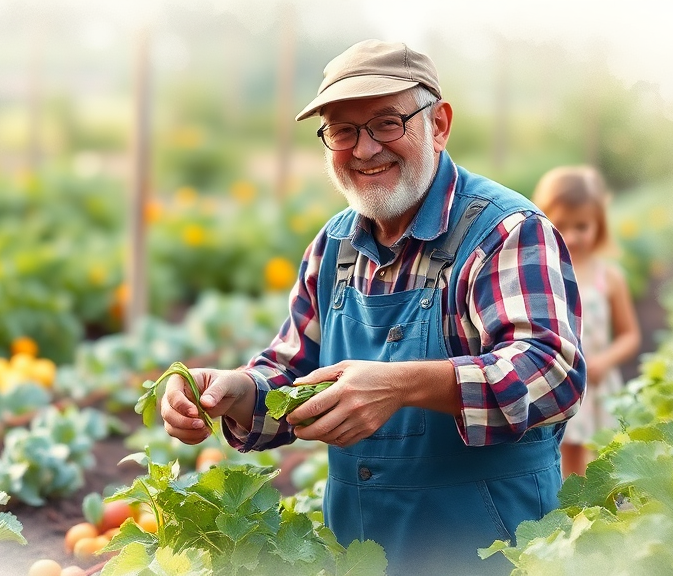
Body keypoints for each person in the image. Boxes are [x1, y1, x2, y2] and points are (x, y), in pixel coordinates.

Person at [159, 39, 586, 575]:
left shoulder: (506, 232)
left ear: (439, 124)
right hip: (360, 554)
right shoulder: (334, 246)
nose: (364, 150)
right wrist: (233, 392)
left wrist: (401, 384)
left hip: (490, 553)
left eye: (387, 123)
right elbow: (291, 376)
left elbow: (552, 372)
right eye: (343, 130)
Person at [532, 166, 641, 478]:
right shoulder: (541, 273)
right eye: (561, 225)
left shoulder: (609, 277)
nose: (571, 236)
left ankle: (598, 512)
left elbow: (630, 335)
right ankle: (572, 513)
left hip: (597, 381)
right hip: (559, 379)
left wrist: (606, 360)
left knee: (602, 453)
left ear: (599, 225)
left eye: (582, 226)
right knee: (566, 453)